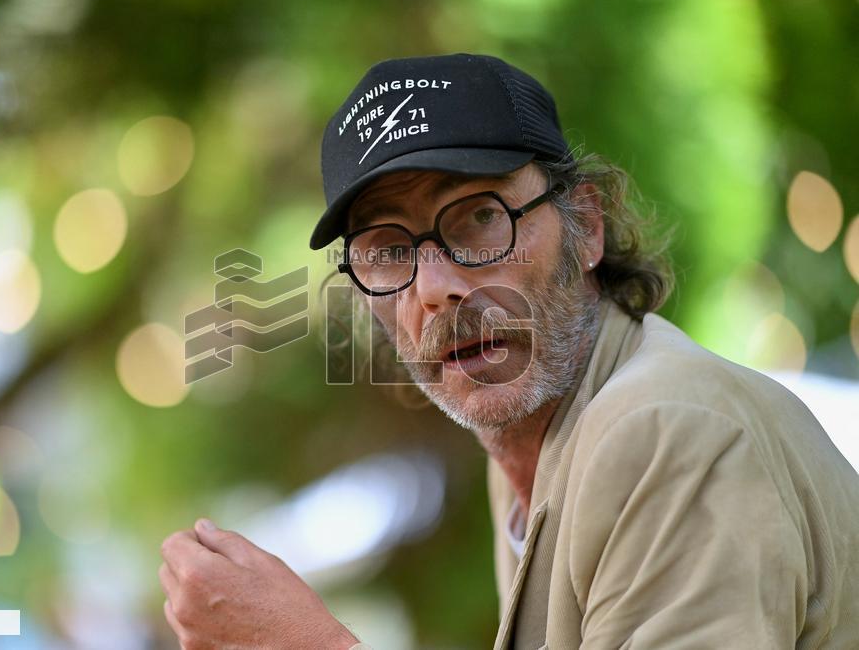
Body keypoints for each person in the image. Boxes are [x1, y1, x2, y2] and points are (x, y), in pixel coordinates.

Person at [158, 53, 859, 649]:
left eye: (480, 218)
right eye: (387, 250)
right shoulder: (529, 459)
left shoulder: (667, 430)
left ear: (587, 226)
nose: (433, 290)